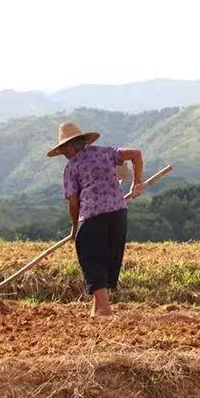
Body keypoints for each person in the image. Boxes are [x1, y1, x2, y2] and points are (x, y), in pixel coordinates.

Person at [47, 121, 144, 316]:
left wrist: (75, 227)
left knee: (91, 260)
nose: (65, 154)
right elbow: (136, 154)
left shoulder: (71, 168)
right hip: (118, 214)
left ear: (72, 146)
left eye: (65, 149)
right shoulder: (105, 153)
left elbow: (74, 203)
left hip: (91, 217)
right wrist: (137, 182)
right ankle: (96, 308)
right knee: (106, 258)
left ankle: (105, 310)